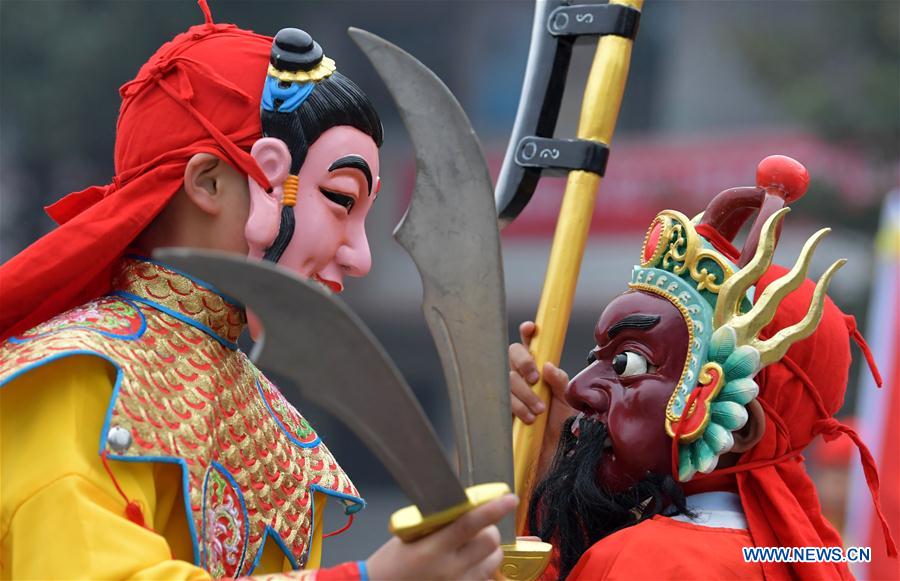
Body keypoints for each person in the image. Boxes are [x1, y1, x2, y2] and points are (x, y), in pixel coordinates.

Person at [0, 3, 514, 579]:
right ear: (210, 184)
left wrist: (515, 446)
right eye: (341, 200)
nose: (362, 257)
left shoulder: (267, 413)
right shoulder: (76, 374)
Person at [509, 156, 896, 579]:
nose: (579, 390)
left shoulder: (652, 560)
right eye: (594, 358)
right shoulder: (815, 560)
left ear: (740, 423)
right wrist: (546, 463)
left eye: (628, 363)